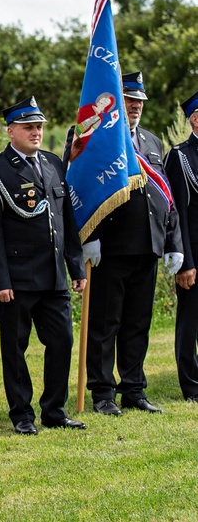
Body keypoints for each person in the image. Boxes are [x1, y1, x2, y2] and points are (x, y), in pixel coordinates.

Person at [70, 72, 182, 416]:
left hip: (148, 243)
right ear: (118, 102)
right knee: (105, 323)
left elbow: (166, 197)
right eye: (129, 100)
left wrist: (173, 241)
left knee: (138, 322)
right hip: (110, 247)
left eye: (139, 102)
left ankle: (133, 388)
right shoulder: (94, 139)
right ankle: (103, 392)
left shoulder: (150, 141)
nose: (134, 106)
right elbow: (78, 190)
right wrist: (88, 238)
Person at [0, 96, 86, 435]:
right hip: (17, 277)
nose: (36, 132)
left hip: (53, 276)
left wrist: (76, 267)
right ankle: (21, 414)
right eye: (28, 127)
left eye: (38, 126)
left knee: (62, 341)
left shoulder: (53, 163)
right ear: (11, 131)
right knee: (15, 347)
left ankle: (54, 409)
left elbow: (65, 220)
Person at [164, 89, 198, 402]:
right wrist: (184, 261)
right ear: (195, 119)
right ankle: (192, 385)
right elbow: (177, 213)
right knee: (190, 322)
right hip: (195, 253)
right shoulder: (180, 156)